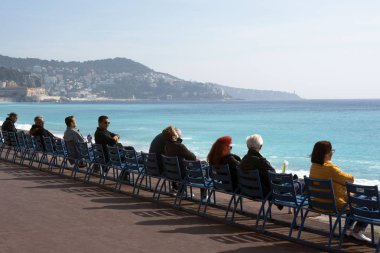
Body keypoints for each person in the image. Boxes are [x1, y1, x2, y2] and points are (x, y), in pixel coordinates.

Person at [309, 141, 370, 242]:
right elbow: (350, 179)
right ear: (326, 153)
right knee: (366, 202)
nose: (332, 152)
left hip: (318, 203)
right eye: (331, 150)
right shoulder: (331, 168)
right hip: (334, 205)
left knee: (358, 199)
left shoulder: (314, 166)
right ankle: (357, 231)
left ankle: (347, 229)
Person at [163, 126, 196, 192]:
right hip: (182, 174)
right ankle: (204, 196)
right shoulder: (179, 146)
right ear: (174, 134)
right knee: (204, 170)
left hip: (172, 173)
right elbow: (193, 157)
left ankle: (177, 189)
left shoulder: (166, 146)